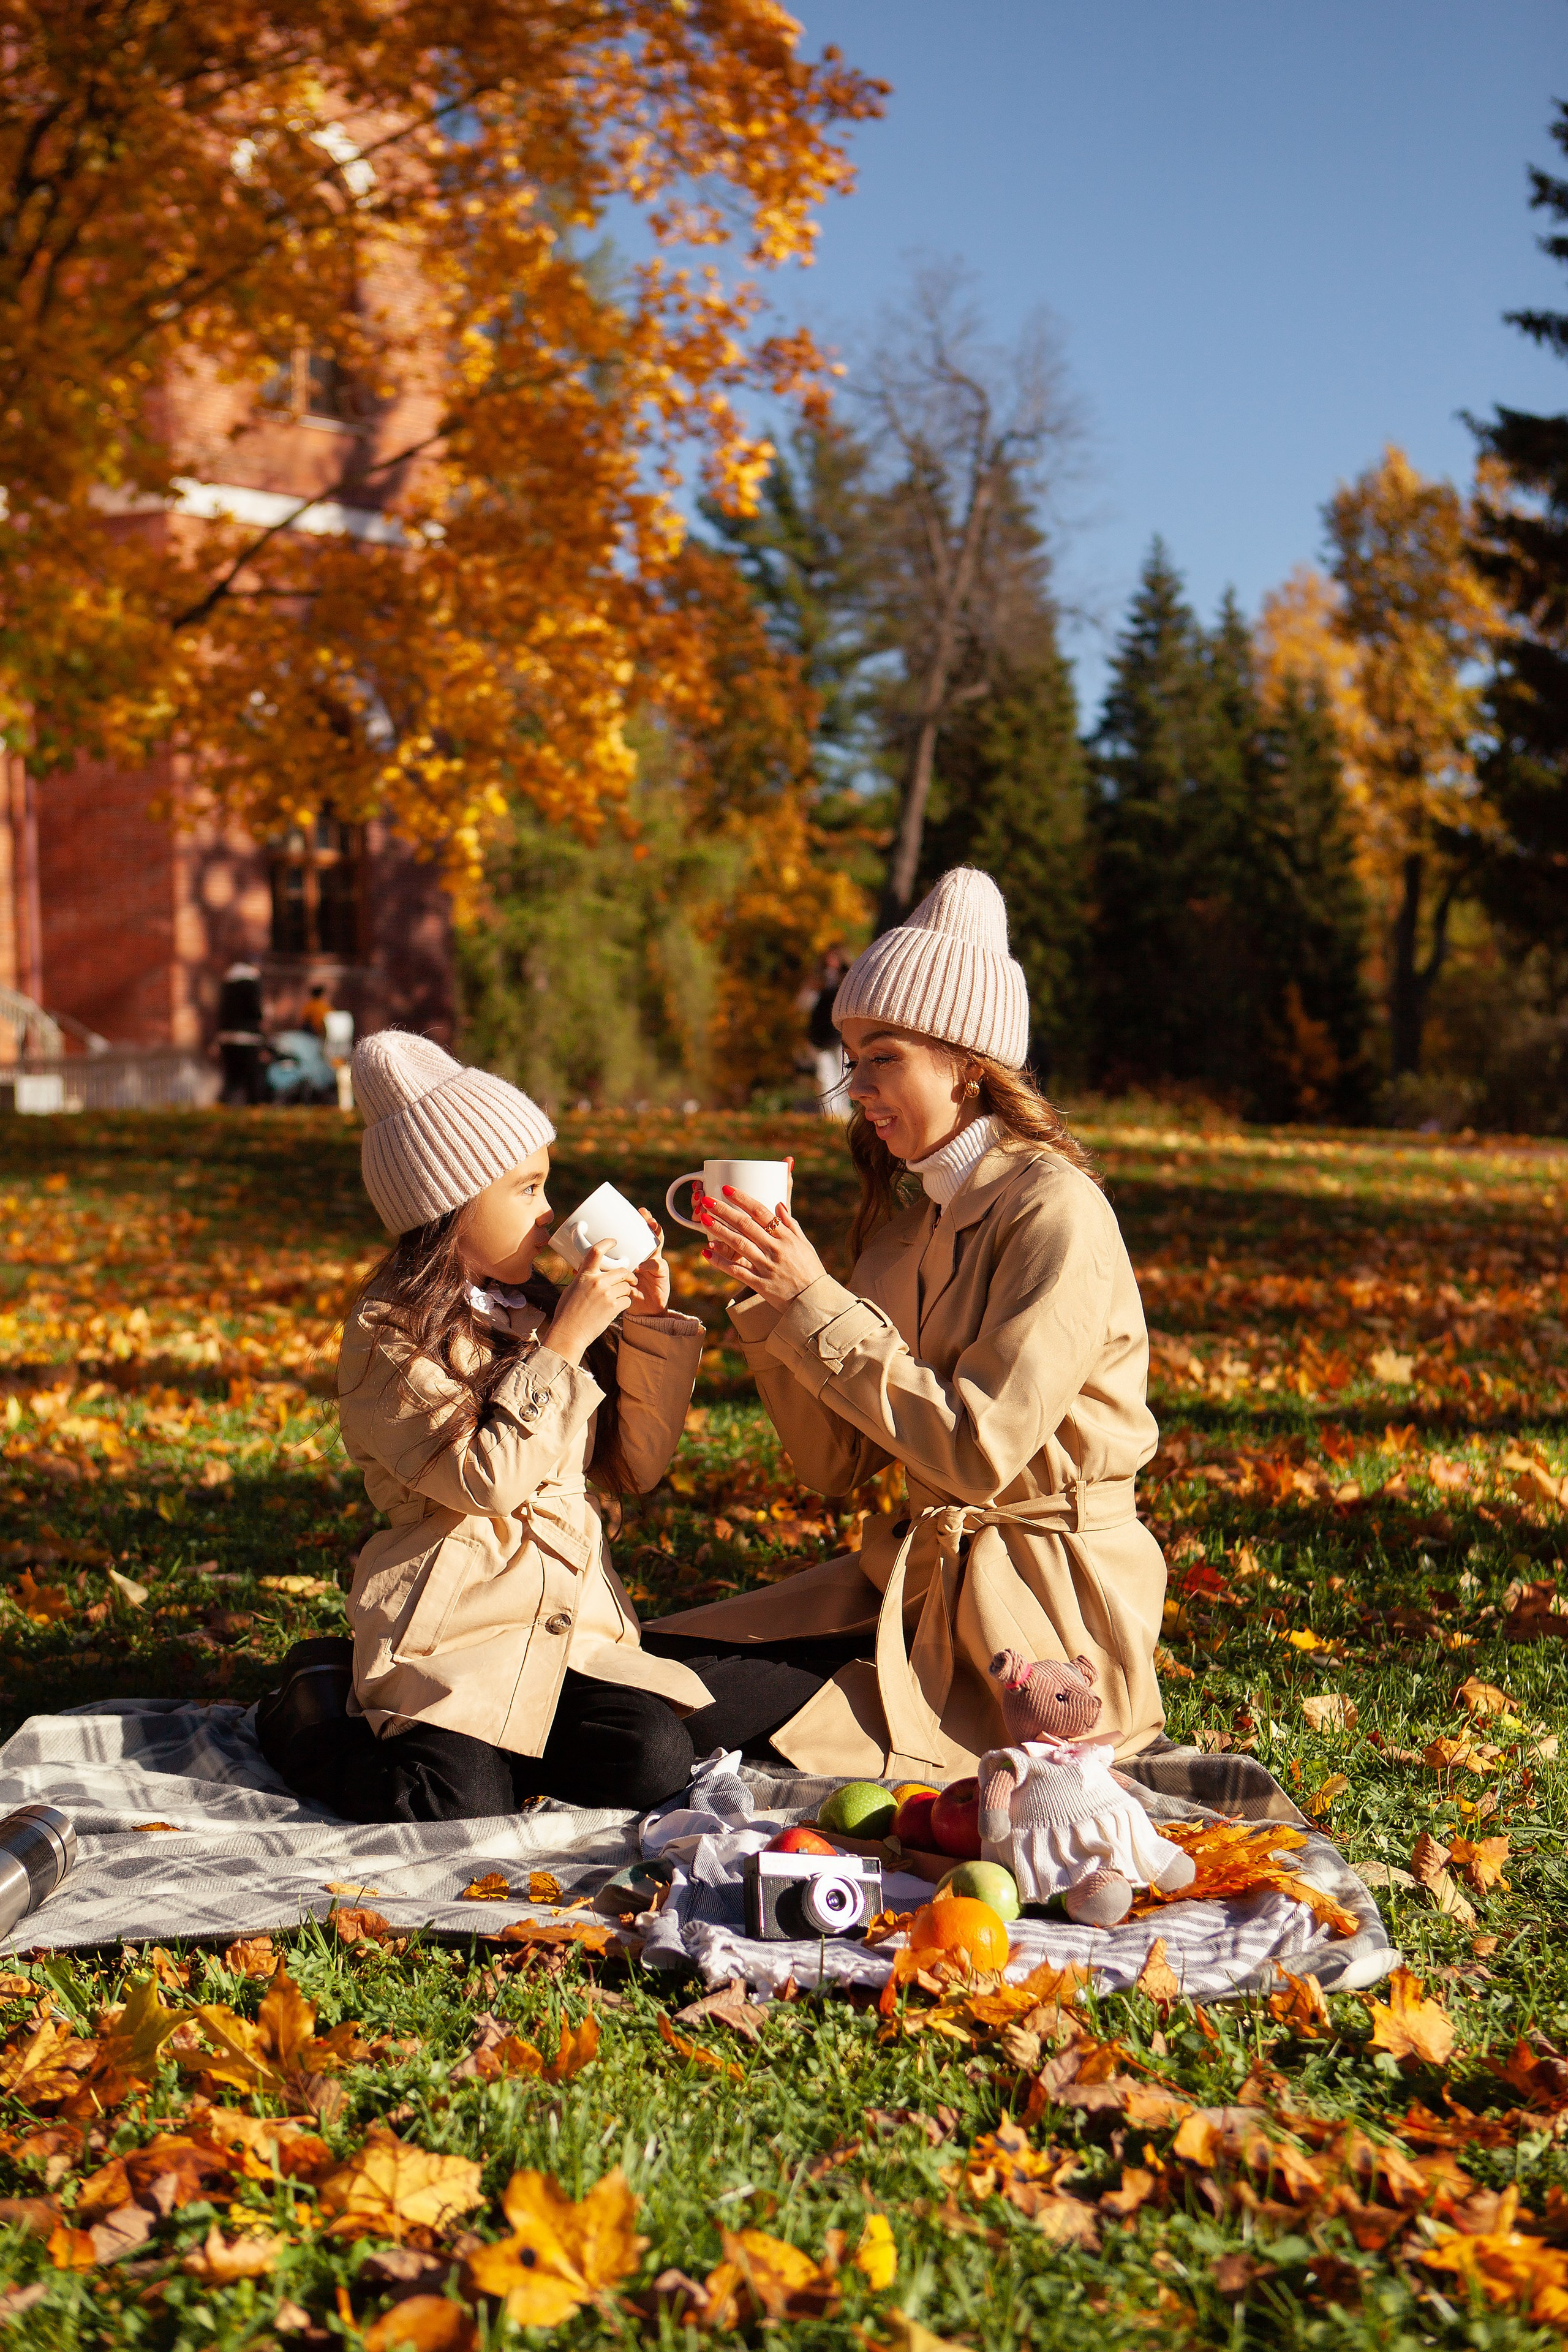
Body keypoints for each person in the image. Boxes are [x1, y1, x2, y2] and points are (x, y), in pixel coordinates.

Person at [644, 867, 1169, 1782]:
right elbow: (835, 1467)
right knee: (632, 1679)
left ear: (970, 1066)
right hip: (912, 1580)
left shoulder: (1057, 1212)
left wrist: (817, 1305)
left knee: (650, 1728)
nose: (857, 1088)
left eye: (882, 1057)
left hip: (1045, 1618)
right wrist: (774, 1304)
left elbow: (976, 1453)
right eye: (850, 1059)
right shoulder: (904, 1224)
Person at [256, 1031, 829, 1822]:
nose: (550, 1211)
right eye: (527, 1190)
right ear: (448, 1207)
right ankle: (310, 1700)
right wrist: (564, 1347)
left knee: (655, 1756)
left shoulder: (539, 1312)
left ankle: (500, 1747)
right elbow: (485, 1482)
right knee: (453, 1797)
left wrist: (652, 1329)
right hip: (451, 1635)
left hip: (565, 1631)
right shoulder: (387, 1337)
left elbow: (635, 1467)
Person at [807, 946, 850, 1117]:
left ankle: (844, 1114)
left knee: (844, 1075)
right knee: (825, 1076)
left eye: (834, 958)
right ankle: (831, 1115)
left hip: (841, 1036)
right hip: (819, 1037)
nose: (831, 963)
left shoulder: (849, 978)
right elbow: (804, 1004)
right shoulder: (817, 981)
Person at [216, 963, 268, 1106]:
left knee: (231, 1081)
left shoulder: (228, 981)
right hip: (248, 1038)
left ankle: (223, 1107)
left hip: (228, 1038)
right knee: (252, 1082)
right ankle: (254, 1112)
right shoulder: (252, 981)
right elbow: (255, 1010)